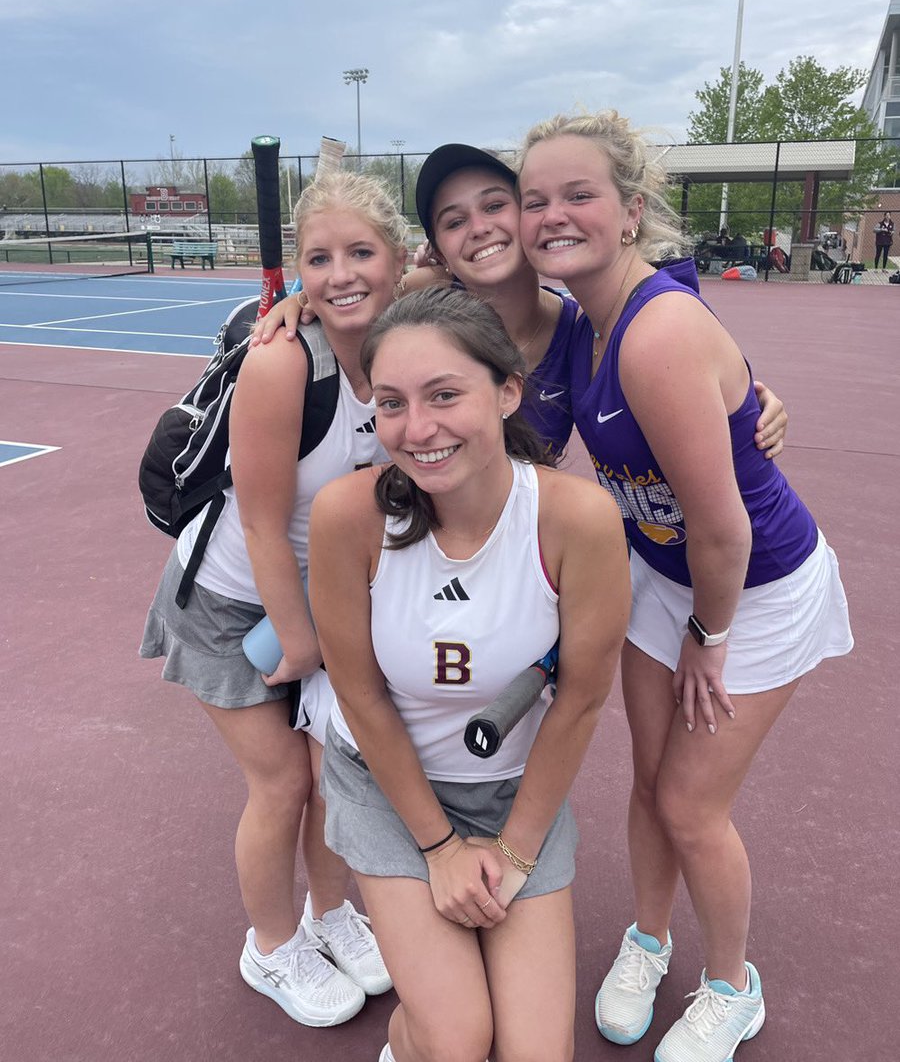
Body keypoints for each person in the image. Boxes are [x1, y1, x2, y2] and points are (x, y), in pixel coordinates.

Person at [516, 111, 854, 1062]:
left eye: (578, 195)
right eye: (536, 199)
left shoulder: (653, 333)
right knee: (649, 785)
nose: (553, 215)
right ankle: (648, 940)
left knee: (691, 806)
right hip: (665, 575)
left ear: (629, 211)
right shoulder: (587, 316)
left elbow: (723, 529)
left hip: (752, 587)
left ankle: (731, 986)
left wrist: (711, 638)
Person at [308, 286, 631, 1062]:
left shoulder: (574, 519)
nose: (417, 429)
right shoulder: (347, 517)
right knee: (455, 1042)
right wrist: (440, 849)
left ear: (508, 390)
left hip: (517, 795)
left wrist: (513, 852)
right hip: (389, 791)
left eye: (445, 394)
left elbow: (581, 699)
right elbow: (359, 694)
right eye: (392, 403)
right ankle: (407, 1040)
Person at [140, 172, 404, 1027]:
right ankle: (272, 945)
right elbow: (258, 525)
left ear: (397, 262)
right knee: (285, 781)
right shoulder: (284, 360)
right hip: (229, 606)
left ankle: (331, 916)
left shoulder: (406, 338)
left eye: (361, 252)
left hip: (323, 603)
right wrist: (299, 647)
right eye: (318, 258)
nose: (341, 274)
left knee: (337, 779)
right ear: (297, 270)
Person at [253, 145, 789, 462]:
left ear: (528, 214)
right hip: (415, 534)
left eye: (495, 205)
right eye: (455, 220)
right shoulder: (425, 304)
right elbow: (352, 292)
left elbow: (691, 358)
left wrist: (753, 403)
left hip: (521, 550)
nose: (480, 228)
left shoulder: (584, 331)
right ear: (438, 249)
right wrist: (298, 304)